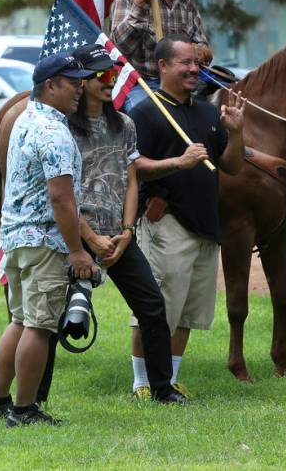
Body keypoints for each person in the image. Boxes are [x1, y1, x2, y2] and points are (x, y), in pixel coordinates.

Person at [0, 53, 98, 427]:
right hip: (44, 242)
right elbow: (61, 198)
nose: (80, 89)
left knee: (18, 320)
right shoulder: (54, 132)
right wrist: (78, 251)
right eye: (73, 82)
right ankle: (23, 410)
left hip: (15, 238)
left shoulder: (25, 119)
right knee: (39, 326)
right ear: (50, 85)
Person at [67, 44, 186, 403]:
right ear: (83, 81)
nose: (110, 81)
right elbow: (62, 191)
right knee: (54, 318)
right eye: (102, 75)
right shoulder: (65, 127)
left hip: (120, 235)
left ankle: (163, 389)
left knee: (152, 305)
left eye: (114, 75)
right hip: (75, 235)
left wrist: (127, 230)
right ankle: (30, 401)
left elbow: (131, 178)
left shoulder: (125, 124)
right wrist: (90, 238)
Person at [129, 35, 245, 394]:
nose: (195, 69)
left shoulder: (208, 113)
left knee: (188, 313)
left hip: (205, 226)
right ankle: (143, 383)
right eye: (186, 63)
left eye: (197, 63)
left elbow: (231, 166)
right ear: (163, 66)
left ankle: (171, 380)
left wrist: (236, 133)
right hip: (166, 224)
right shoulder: (146, 112)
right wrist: (178, 162)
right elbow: (133, 166)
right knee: (157, 309)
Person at [110, 0, 211, 112]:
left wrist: (201, 51)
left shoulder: (187, 2)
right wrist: (141, 2)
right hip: (141, 84)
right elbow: (119, 49)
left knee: (213, 116)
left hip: (183, 85)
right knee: (143, 115)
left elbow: (203, 49)